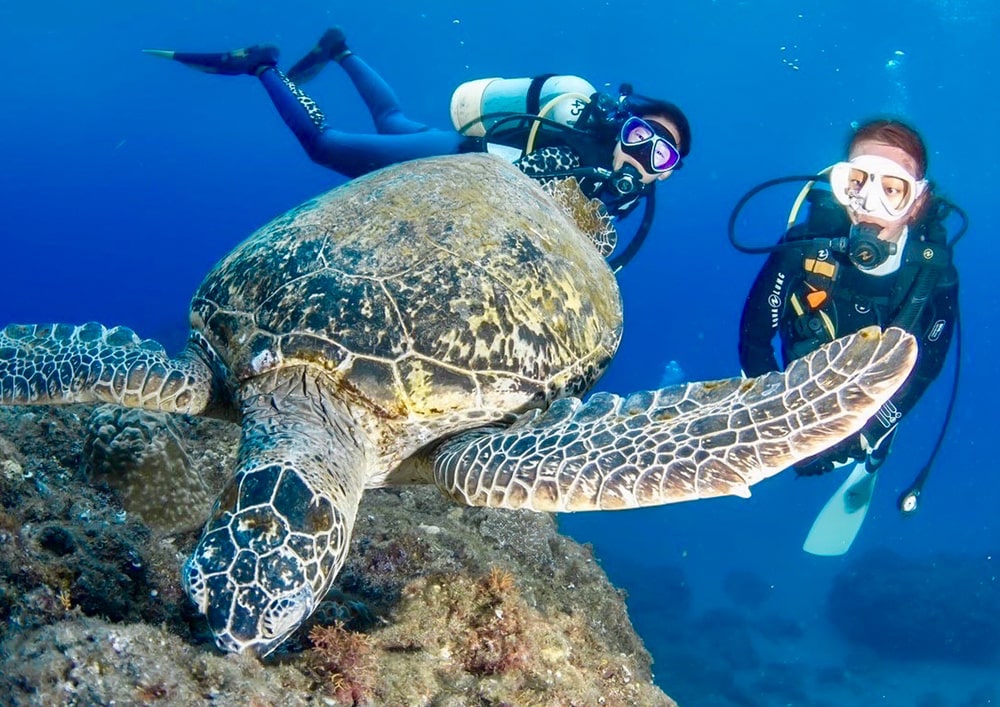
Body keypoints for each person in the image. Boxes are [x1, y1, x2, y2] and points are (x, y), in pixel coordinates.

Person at [144, 27, 692, 269]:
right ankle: (262, 64)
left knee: (392, 118)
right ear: (623, 126)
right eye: (641, 138)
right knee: (323, 145)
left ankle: (341, 50)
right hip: (457, 162)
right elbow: (530, 179)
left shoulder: (626, 205)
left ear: (665, 175)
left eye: (659, 157)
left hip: (457, 157)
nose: (641, 157)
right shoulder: (581, 128)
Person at [738, 119, 959, 486]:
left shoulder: (933, 274)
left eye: (892, 189)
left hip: (877, 399)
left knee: (875, 440)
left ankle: (876, 454)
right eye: (857, 182)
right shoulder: (801, 249)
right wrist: (778, 423)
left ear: (917, 203)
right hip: (800, 390)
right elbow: (754, 339)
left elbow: (926, 367)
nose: (868, 204)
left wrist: (867, 434)